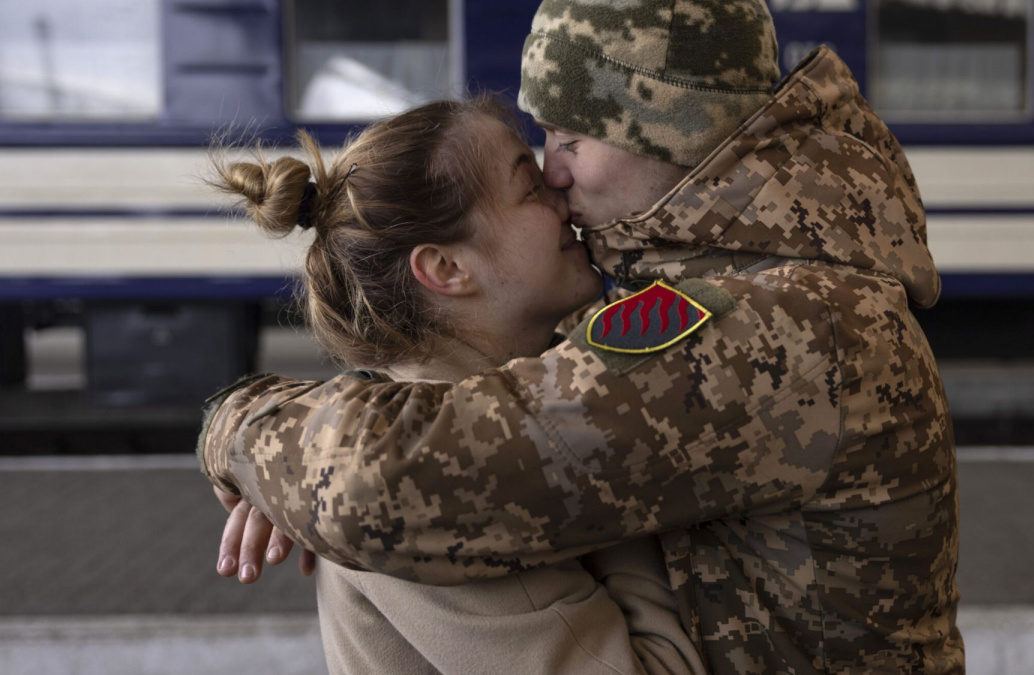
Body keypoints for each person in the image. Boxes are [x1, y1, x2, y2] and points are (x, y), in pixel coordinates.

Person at [200, 0, 964, 672]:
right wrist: (303, 467)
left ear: (664, 129)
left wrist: (241, 427)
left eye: (568, 137)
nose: (555, 173)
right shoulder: (769, 276)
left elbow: (378, 482)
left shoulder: (765, 322)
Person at [206, 97, 706, 675]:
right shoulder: (419, 496)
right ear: (447, 268)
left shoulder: (432, 419)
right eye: (529, 188)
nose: (562, 197)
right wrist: (625, 489)